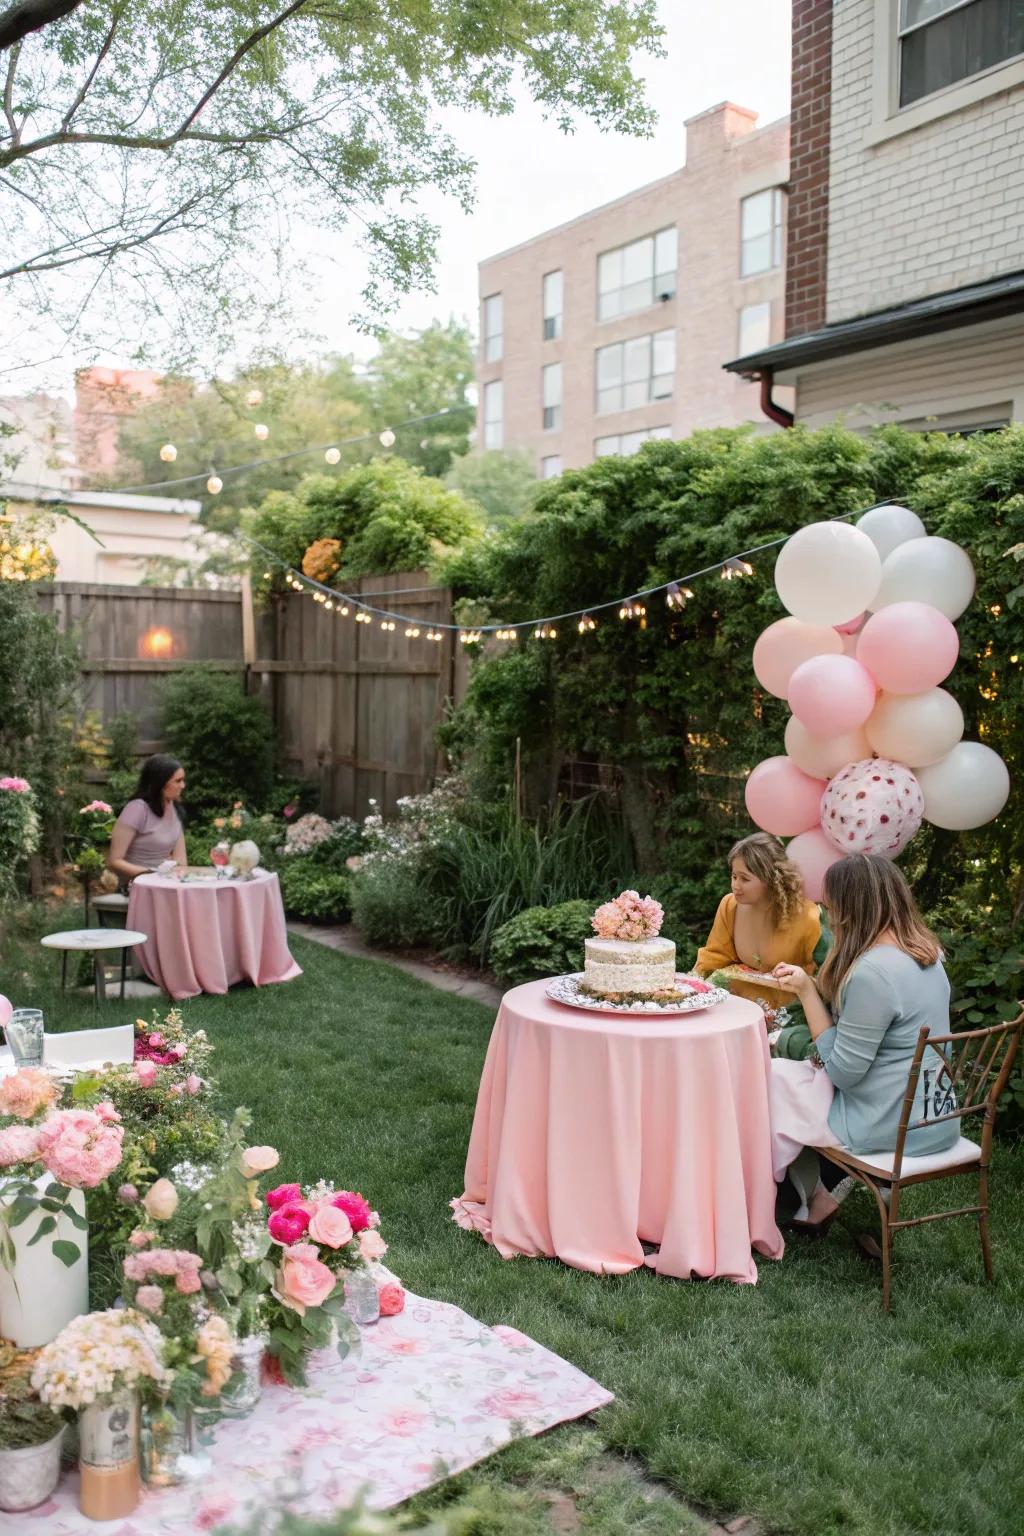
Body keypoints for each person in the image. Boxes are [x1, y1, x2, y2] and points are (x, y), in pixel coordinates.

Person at [770, 853, 959, 1234]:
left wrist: (807, 993)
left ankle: (789, 1197)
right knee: (784, 1077)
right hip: (936, 1117)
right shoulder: (927, 953)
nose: (825, 913)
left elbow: (843, 1073)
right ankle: (824, 1195)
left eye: (829, 903)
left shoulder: (874, 972)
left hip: (888, 1124)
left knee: (767, 1080)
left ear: (851, 906)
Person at [694, 832, 822, 1012]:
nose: (735, 885)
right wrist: (690, 987)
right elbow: (714, 956)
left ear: (771, 879)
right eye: (734, 876)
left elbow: (820, 975)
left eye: (745, 879)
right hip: (739, 1002)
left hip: (790, 1010)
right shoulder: (730, 905)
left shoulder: (809, 916)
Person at [107, 755, 187, 885]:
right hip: (137, 885)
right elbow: (115, 861)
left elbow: (181, 861)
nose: (183, 785)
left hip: (166, 884)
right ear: (161, 784)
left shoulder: (175, 810)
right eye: (178, 781)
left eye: (183, 780)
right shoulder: (137, 809)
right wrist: (152, 875)